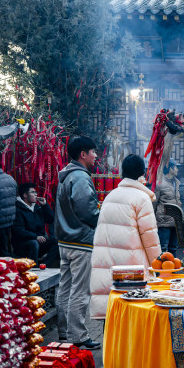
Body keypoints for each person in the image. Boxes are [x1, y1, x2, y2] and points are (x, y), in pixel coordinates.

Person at [89, 155, 160, 319]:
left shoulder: (110, 196)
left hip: (108, 266)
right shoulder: (142, 198)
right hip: (132, 268)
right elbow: (150, 238)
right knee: (132, 316)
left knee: (112, 315)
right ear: (142, 173)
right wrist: (158, 265)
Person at [55, 135, 101, 349]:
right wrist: (99, 217)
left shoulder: (66, 175)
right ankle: (78, 336)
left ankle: (64, 333)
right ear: (83, 154)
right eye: (93, 152)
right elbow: (87, 210)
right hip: (80, 242)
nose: (96, 156)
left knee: (65, 288)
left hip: (65, 240)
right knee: (80, 291)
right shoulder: (81, 177)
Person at [12, 183, 58, 267]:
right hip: (24, 243)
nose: (36, 194)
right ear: (25, 195)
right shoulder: (18, 210)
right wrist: (35, 237)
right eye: (33, 192)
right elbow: (18, 230)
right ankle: (34, 268)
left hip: (39, 241)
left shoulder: (37, 207)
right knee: (34, 243)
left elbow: (50, 219)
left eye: (36, 192)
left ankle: (45, 265)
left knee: (56, 242)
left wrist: (45, 206)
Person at [154, 158, 181, 256]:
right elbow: (154, 203)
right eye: (176, 167)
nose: (177, 170)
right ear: (170, 169)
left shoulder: (177, 183)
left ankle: (173, 270)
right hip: (164, 222)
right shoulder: (160, 183)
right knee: (163, 248)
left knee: (173, 248)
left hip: (175, 221)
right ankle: (161, 271)